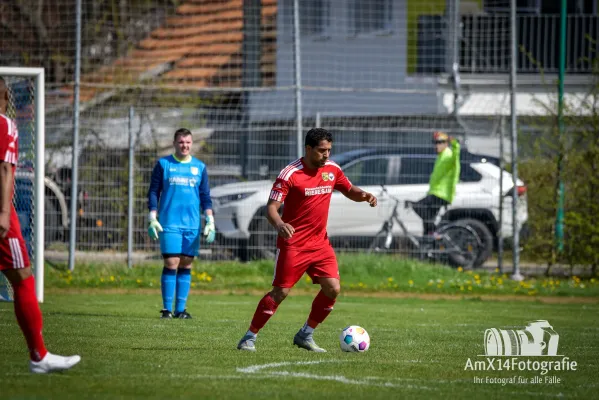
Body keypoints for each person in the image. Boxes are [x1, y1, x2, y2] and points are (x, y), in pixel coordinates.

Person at [237, 128, 377, 352]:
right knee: (280, 292)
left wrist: (364, 195)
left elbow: (349, 189)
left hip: (320, 244)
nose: (327, 155)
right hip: (294, 244)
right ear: (309, 149)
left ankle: (305, 334)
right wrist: (280, 224)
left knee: (332, 288)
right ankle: (249, 337)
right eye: (322, 150)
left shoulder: (332, 170)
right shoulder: (290, 173)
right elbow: (271, 208)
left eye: (329, 150)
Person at [0, 76, 81, 373]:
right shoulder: (5, 124)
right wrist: (4, 214)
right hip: (1, 217)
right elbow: (6, 169)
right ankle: (39, 355)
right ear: (7, 98)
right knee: (22, 278)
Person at [147, 128, 215, 319]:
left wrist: (210, 219)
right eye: (181, 142)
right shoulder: (163, 164)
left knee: (186, 264)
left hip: (192, 224)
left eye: (188, 142)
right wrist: (152, 217)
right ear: (174, 143)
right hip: (169, 223)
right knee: (171, 262)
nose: (184, 145)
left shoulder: (199, 167)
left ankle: (181, 310)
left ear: (191, 144)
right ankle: (167, 310)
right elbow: (154, 191)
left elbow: (205, 196)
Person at [412, 131, 460, 237]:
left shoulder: (449, 155)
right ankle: (429, 247)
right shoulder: (441, 156)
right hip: (435, 192)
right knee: (427, 223)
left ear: (446, 144)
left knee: (418, 206)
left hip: (441, 194)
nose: (437, 145)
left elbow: (456, 156)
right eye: (435, 142)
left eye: (440, 142)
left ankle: (435, 231)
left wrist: (455, 143)